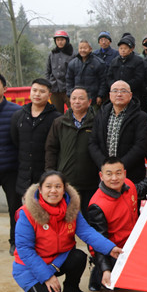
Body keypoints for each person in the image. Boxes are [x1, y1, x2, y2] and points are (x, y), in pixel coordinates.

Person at [12, 171, 122, 292]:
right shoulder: (27, 213)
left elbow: (87, 232)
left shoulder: (71, 208)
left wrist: (110, 248)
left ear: (64, 189)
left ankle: (71, 290)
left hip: (58, 259)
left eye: (58, 186)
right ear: (40, 189)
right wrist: (47, 276)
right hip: (32, 265)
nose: (53, 190)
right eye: (48, 186)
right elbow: (25, 250)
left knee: (78, 256)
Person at [87, 157, 147, 292]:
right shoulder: (97, 205)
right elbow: (98, 242)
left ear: (124, 173)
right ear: (101, 176)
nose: (114, 178)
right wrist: (106, 269)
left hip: (131, 242)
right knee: (116, 284)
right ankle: (98, 273)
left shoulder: (128, 185)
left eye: (118, 173)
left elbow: (141, 188)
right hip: (113, 249)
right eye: (109, 174)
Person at [10, 78, 61, 227]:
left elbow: (57, 147)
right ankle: (19, 239)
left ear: (49, 95)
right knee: (24, 217)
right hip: (24, 175)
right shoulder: (18, 116)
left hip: (45, 176)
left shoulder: (56, 118)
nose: (37, 94)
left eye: (42, 91)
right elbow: (15, 141)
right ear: (30, 92)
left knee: (46, 217)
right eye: (35, 90)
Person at [45, 87, 98, 217]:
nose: (77, 101)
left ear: (89, 102)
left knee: (90, 220)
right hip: (67, 182)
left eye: (81, 98)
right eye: (73, 98)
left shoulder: (97, 122)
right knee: (67, 219)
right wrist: (50, 173)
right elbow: (51, 149)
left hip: (91, 182)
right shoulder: (59, 122)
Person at [88, 81, 147, 183]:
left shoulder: (140, 117)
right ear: (110, 95)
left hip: (131, 174)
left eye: (123, 91)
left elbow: (140, 146)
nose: (119, 94)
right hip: (105, 174)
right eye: (115, 91)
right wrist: (105, 166)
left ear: (130, 95)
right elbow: (93, 143)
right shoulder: (101, 115)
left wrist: (118, 168)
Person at [0, 72, 21, 254]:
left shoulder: (16, 111)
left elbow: (20, 140)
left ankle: (15, 242)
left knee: (14, 207)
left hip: (11, 168)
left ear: (5, 88)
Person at [107, 33, 147, 112]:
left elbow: (139, 78)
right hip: (117, 94)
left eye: (125, 48)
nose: (123, 50)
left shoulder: (138, 61)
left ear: (131, 49)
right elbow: (109, 76)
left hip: (134, 94)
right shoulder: (114, 61)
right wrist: (115, 87)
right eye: (121, 48)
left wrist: (125, 88)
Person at [66, 40, 107, 107]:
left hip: (93, 98)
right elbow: (69, 81)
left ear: (90, 49)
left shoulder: (99, 63)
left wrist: (100, 95)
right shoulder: (72, 63)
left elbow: (103, 81)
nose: (82, 50)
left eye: (85, 48)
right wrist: (70, 94)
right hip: (78, 99)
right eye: (80, 48)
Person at [45, 30, 75, 113]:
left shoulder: (72, 54)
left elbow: (75, 72)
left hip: (69, 89)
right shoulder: (52, 54)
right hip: (55, 89)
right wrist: (49, 85)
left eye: (62, 40)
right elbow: (48, 71)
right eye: (57, 40)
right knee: (56, 114)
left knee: (74, 111)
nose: (60, 42)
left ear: (66, 40)